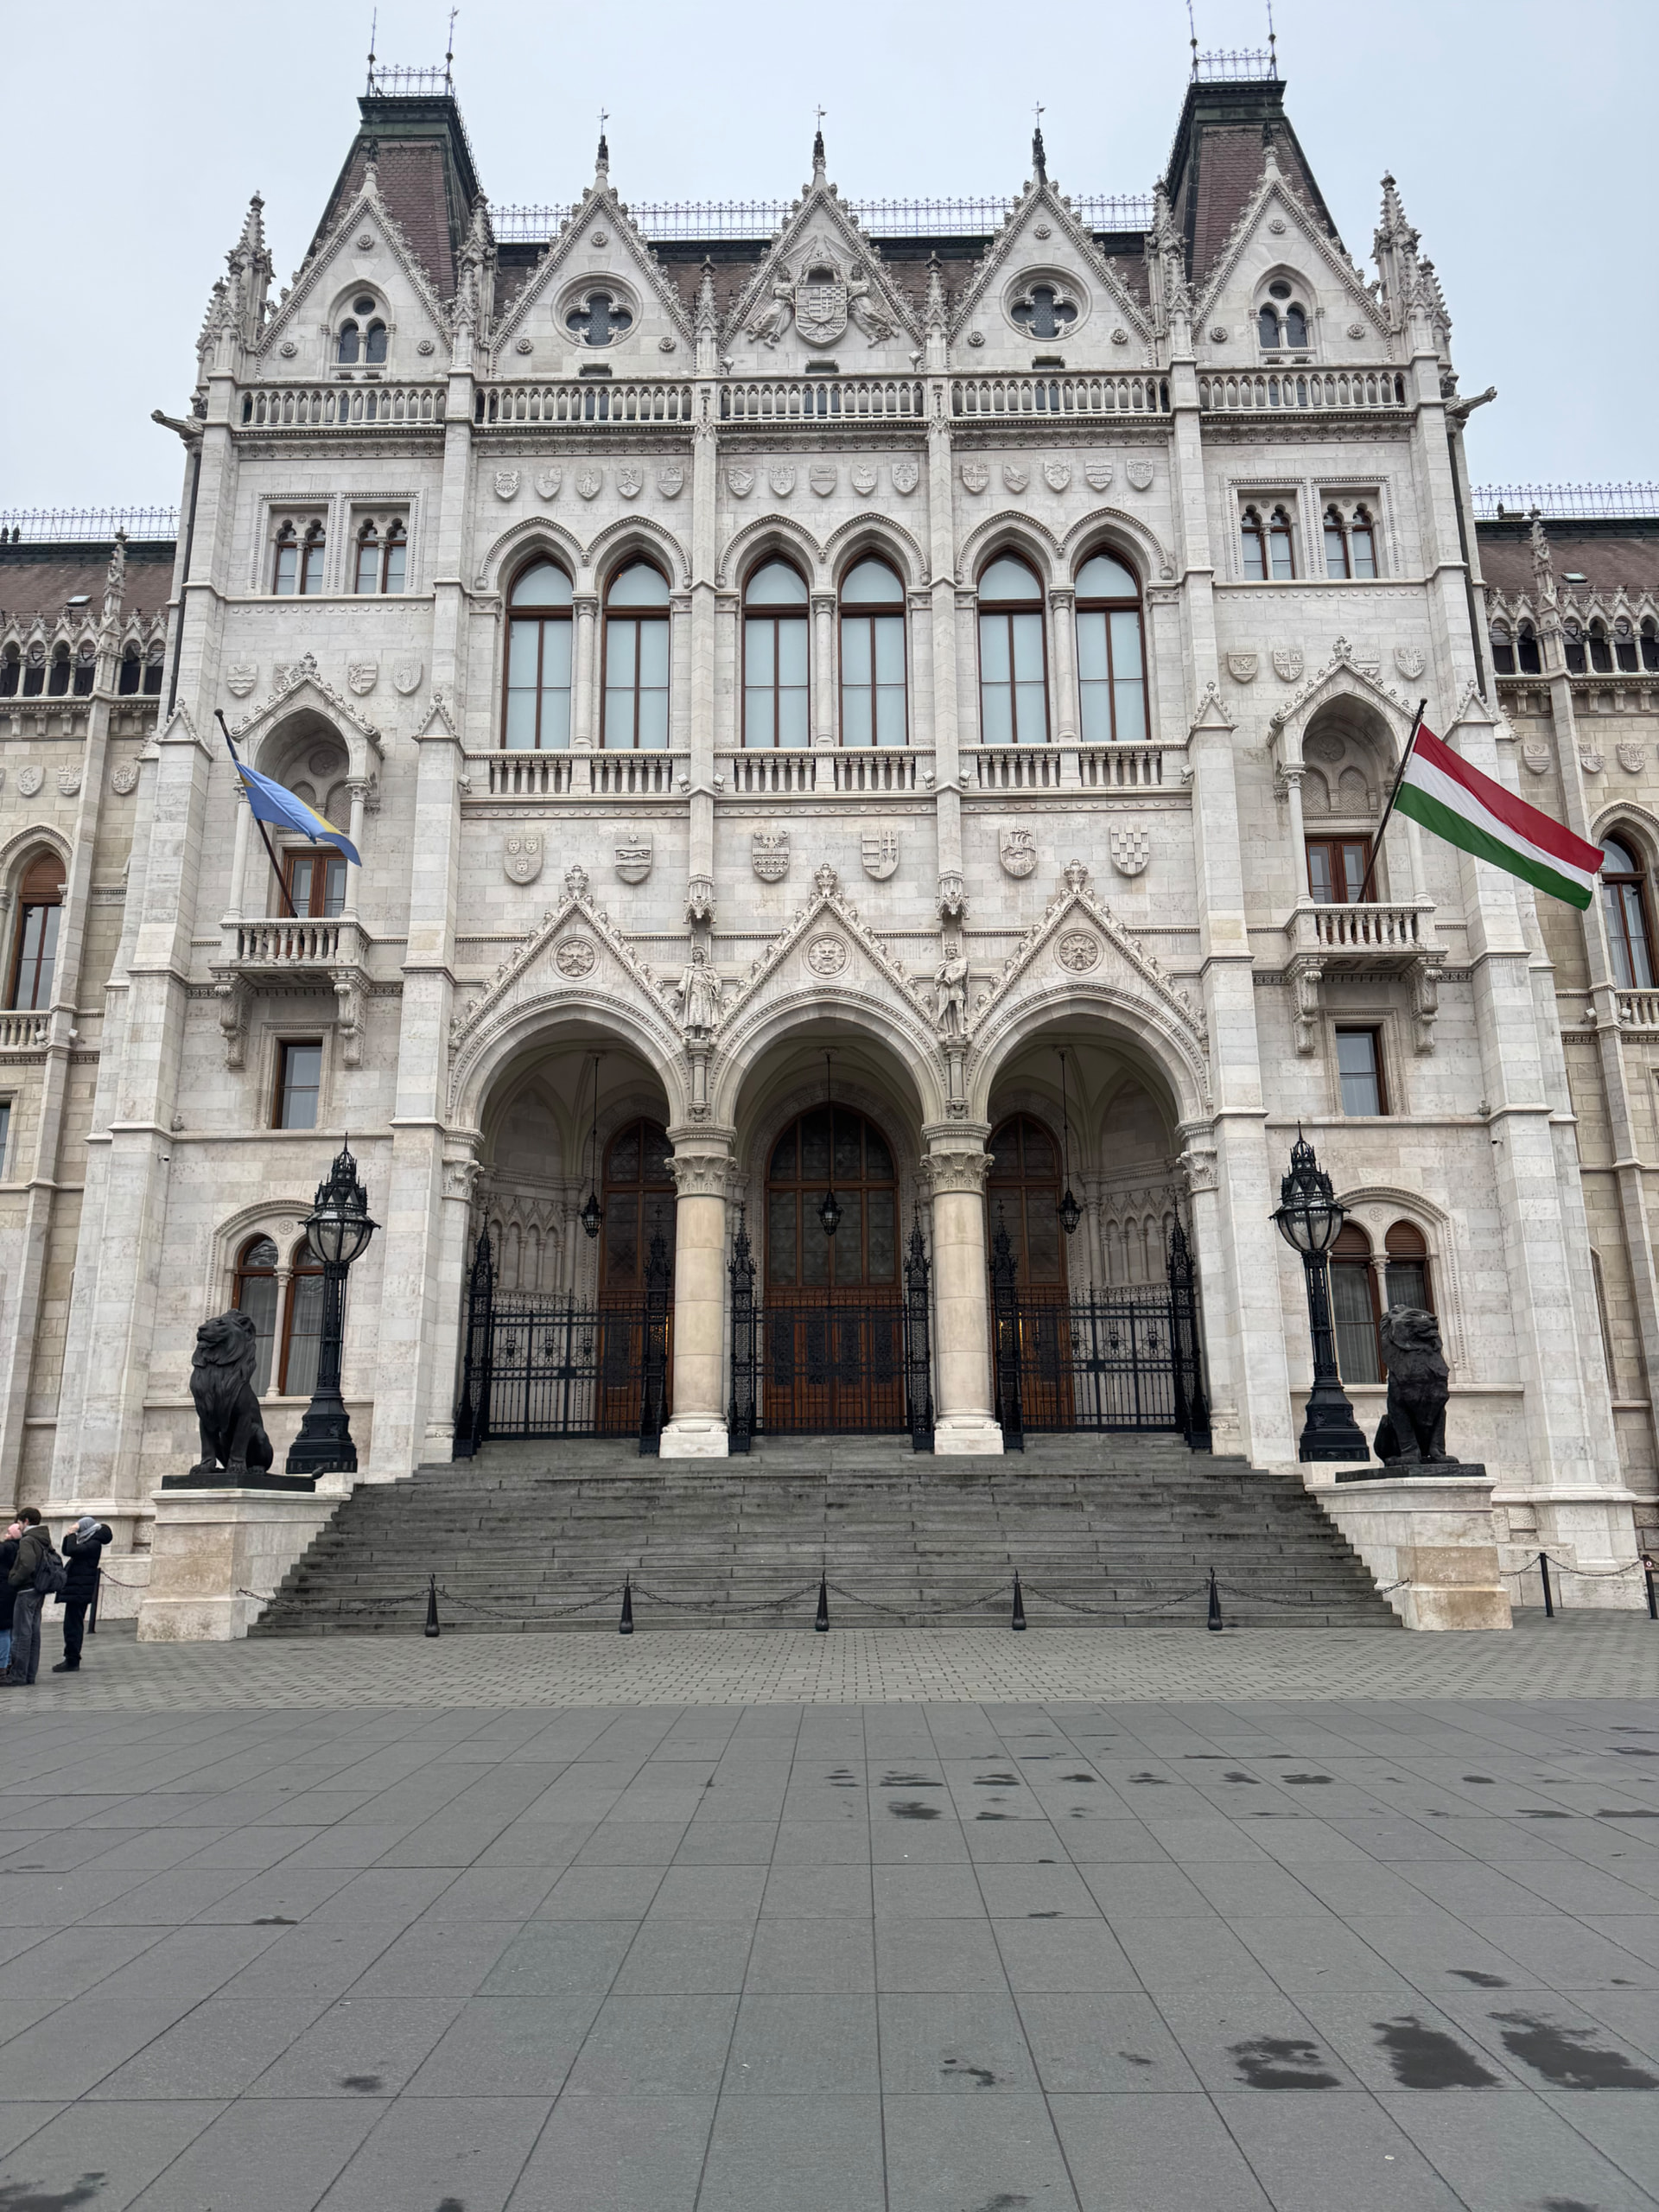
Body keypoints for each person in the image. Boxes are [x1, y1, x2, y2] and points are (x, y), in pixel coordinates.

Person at [3, 1508, 56, 1688]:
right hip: (39, 1589)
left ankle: (18, 1675)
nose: (18, 1526)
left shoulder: (28, 1540)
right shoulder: (43, 1538)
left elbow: (27, 1564)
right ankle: (30, 1674)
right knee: (34, 1633)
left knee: (21, 1634)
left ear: (26, 1521)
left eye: (19, 1522)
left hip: (26, 1590)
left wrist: (13, 1579)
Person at [54, 1516, 112, 1674]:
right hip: (77, 1588)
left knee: (73, 1626)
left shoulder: (94, 1543)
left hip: (80, 1589)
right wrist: (69, 1535)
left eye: (79, 1527)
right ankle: (70, 1657)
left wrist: (73, 1533)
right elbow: (67, 1550)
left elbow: (73, 1550)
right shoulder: (89, 1541)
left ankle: (72, 1659)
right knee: (70, 1625)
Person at [0, 1522, 18, 1675]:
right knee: (9, 1629)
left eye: (8, 1533)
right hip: (11, 1591)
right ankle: (8, 1661)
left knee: (3, 1630)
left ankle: (2, 1665)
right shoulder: (19, 1548)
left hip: (3, 1593)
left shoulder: (7, 1548)